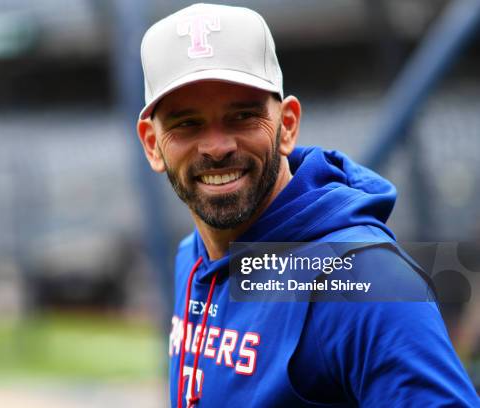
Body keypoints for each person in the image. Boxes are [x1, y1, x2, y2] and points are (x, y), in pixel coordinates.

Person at [136, 3, 479, 407]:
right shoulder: (192, 256)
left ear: (288, 126)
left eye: (243, 116)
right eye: (187, 123)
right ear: (152, 145)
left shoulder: (365, 278)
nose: (217, 147)